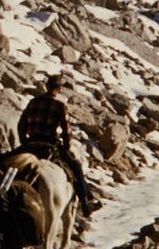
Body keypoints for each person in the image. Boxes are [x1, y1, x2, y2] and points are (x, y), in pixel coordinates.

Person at [16, 74, 99, 215]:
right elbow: (67, 132)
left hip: (31, 143)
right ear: (59, 89)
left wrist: (25, 142)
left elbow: (21, 125)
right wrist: (66, 147)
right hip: (49, 145)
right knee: (75, 166)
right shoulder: (60, 106)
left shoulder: (33, 102)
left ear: (46, 86)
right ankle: (86, 202)